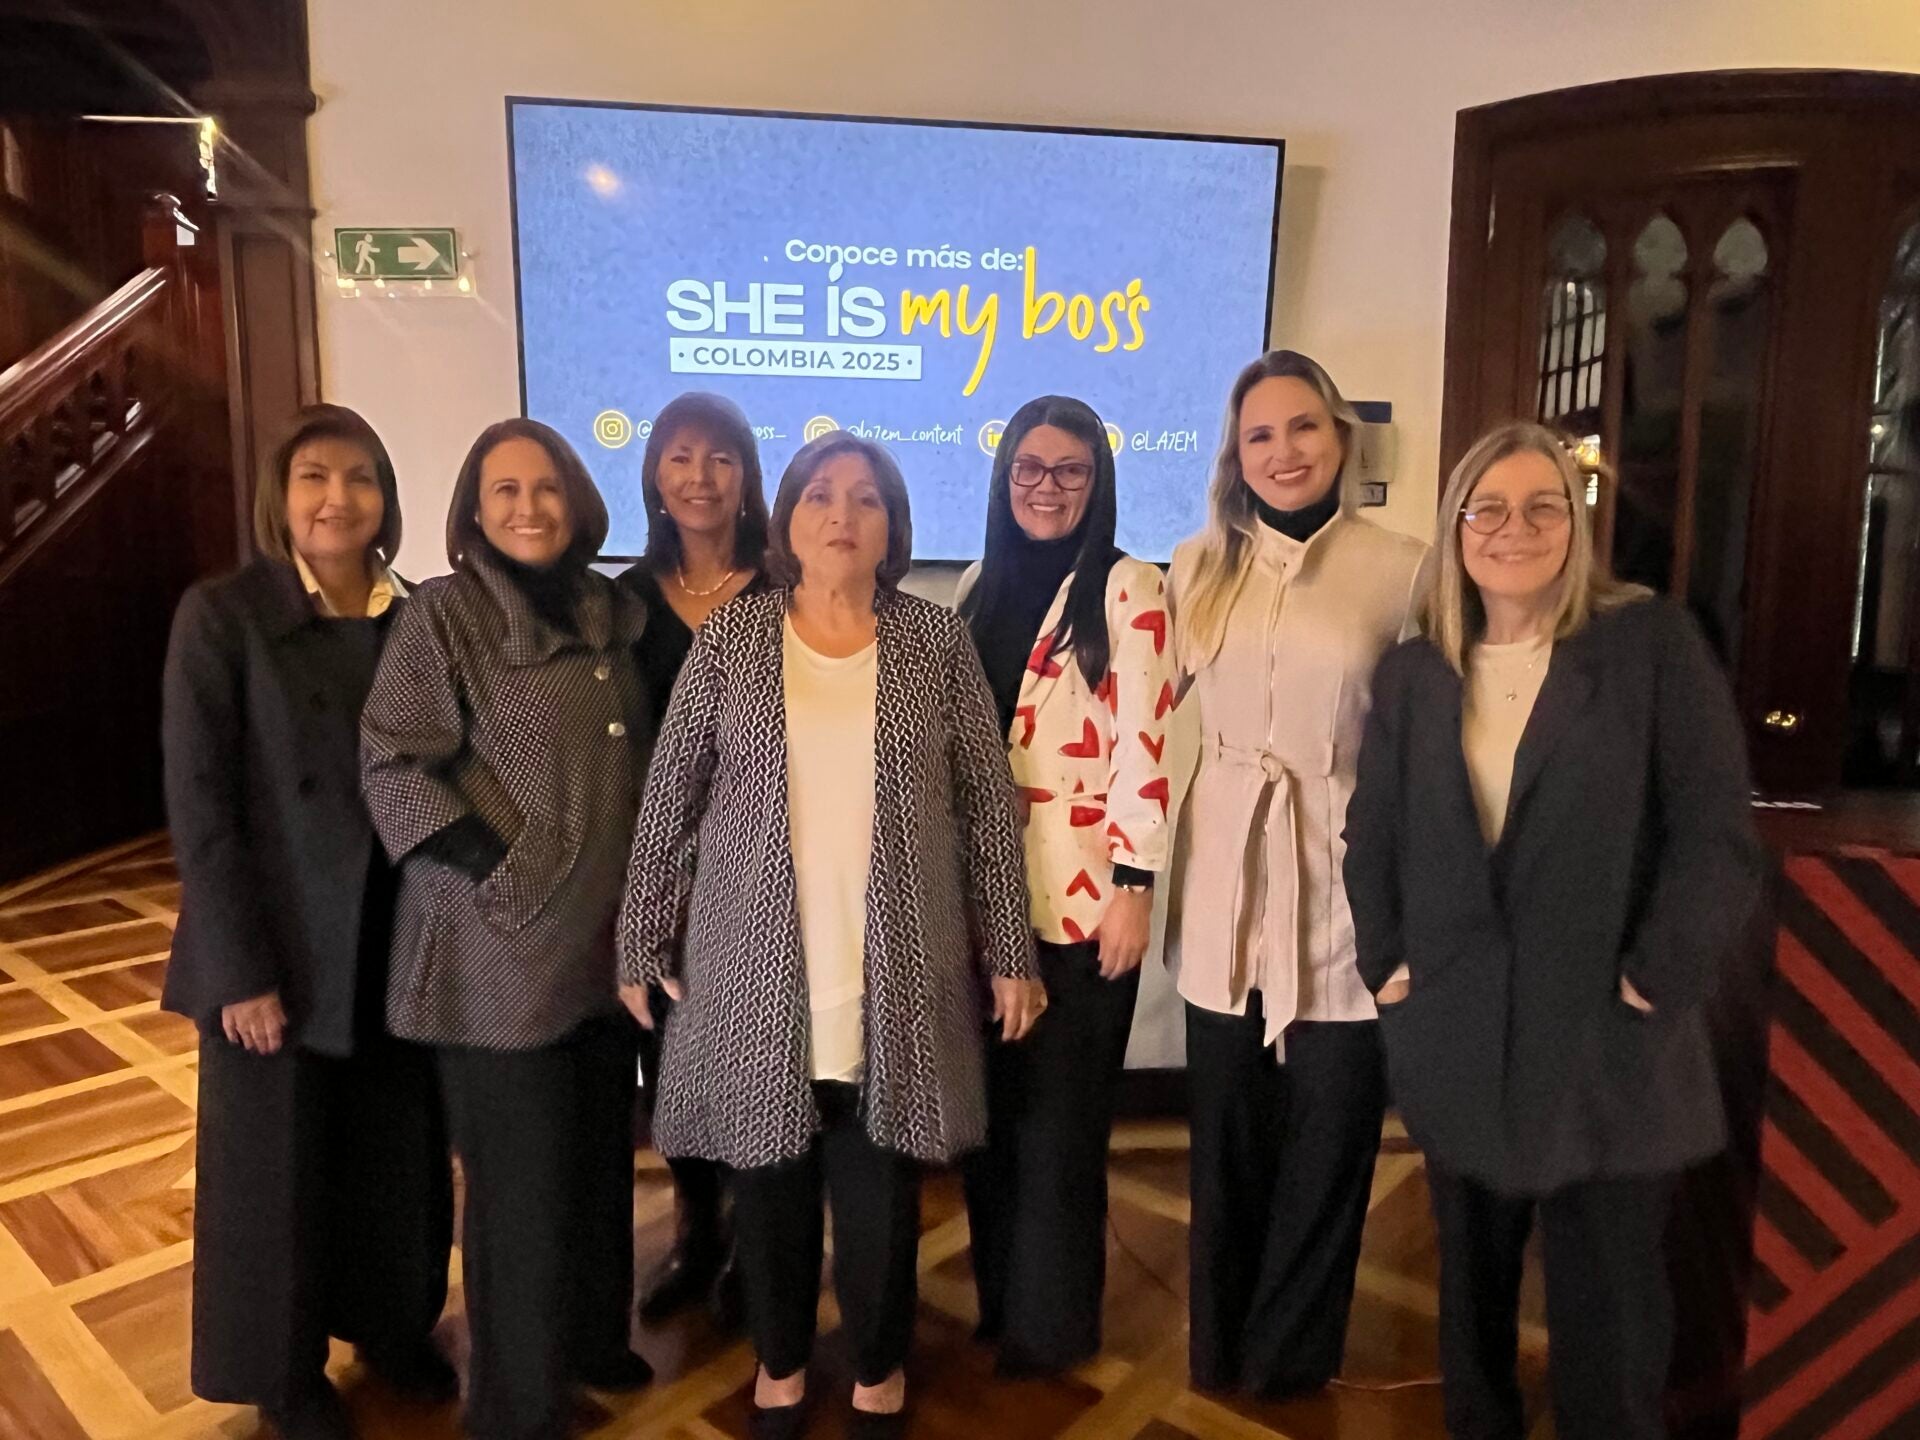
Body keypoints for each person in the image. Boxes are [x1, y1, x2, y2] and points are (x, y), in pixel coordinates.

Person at [618, 430, 1042, 1437]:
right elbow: (669, 796)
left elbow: (987, 808)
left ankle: (880, 1365)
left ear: (892, 525)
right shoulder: (732, 638)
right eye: (820, 497)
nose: (842, 516)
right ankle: (778, 1361)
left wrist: (1014, 956)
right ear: (787, 522)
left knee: (879, 1193)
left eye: (865, 499)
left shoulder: (936, 643)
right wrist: (639, 935)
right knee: (767, 1186)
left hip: (898, 969)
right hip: (752, 970)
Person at [1344, 421, 1761, 1440]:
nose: (1514, 528)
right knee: (1471, 1318)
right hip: (1463, 1037)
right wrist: (1386, 963)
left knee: (1612, 1323)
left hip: (1610, 1045)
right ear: (1456, 532)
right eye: (1488, 509)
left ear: (1575, 525)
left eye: (1542, 507)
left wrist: (1655, 980)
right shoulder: (1417, 671)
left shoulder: (1651, 646)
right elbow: (1373, 834)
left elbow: (1716, 838)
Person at [161, 404, 453, 1440]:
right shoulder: (224, 613)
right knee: (271, 1173)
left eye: (362, 476)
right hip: (274, 949)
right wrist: (239, 969)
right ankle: (281, 1373)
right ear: (279, 495)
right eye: (315, 476)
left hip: (394, 936)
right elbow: (201, 806)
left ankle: (392, 1327)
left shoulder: (415, 613)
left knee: (395, 1153)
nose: (340, 497)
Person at [361, 418, 653, 1440]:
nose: (529, 507)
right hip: (494, 957)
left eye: (546, 488)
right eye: (505, 491)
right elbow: (395, 761)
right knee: (519, 1197)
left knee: (592, 1169)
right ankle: (515, 1409)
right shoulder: (445, 617)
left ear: (577, 501)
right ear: (474, 513)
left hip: (602, 952)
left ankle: (588, 1344)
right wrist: (503, 870)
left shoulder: (610, 608)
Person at [1166, 349, 1428, 1397]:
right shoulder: (1194, 565)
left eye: (1303, 427)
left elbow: (1429, 738)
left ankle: (1290, 1360)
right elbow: (1135, 724)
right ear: (1236, 452)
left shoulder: (1407, 566)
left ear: (1339, 437)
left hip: (1345, 876)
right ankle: (1218, 1347)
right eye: (1261, 433)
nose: (1283, 450)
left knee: (1330, 1138)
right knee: (1225, 1136)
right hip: (1227, 868)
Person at [956, 395, 1177, 1375]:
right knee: (991, 1121)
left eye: (1070, 471)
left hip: (1087, 905)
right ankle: (1001, 1303)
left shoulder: (1130, 588)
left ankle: (1052, 1330)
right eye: (1031, 470)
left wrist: (1136, 881)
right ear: (1007, 482)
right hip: (980, 907)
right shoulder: (973, 585)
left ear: (1099, 484)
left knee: (1062, 1129)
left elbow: (1148, 742)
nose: (1048, 487)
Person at [616, 392, 771, 1327]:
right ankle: (697, 1232)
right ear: (655, 476)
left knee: (759, 1063)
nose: (700, 476)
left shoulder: (782, 593)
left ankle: (761, 1245)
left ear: (747, 477)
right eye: (680, 456)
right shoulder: (622, 602)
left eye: (720, 458)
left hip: (758, 875)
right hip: (655, 869)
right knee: (670, 1061)